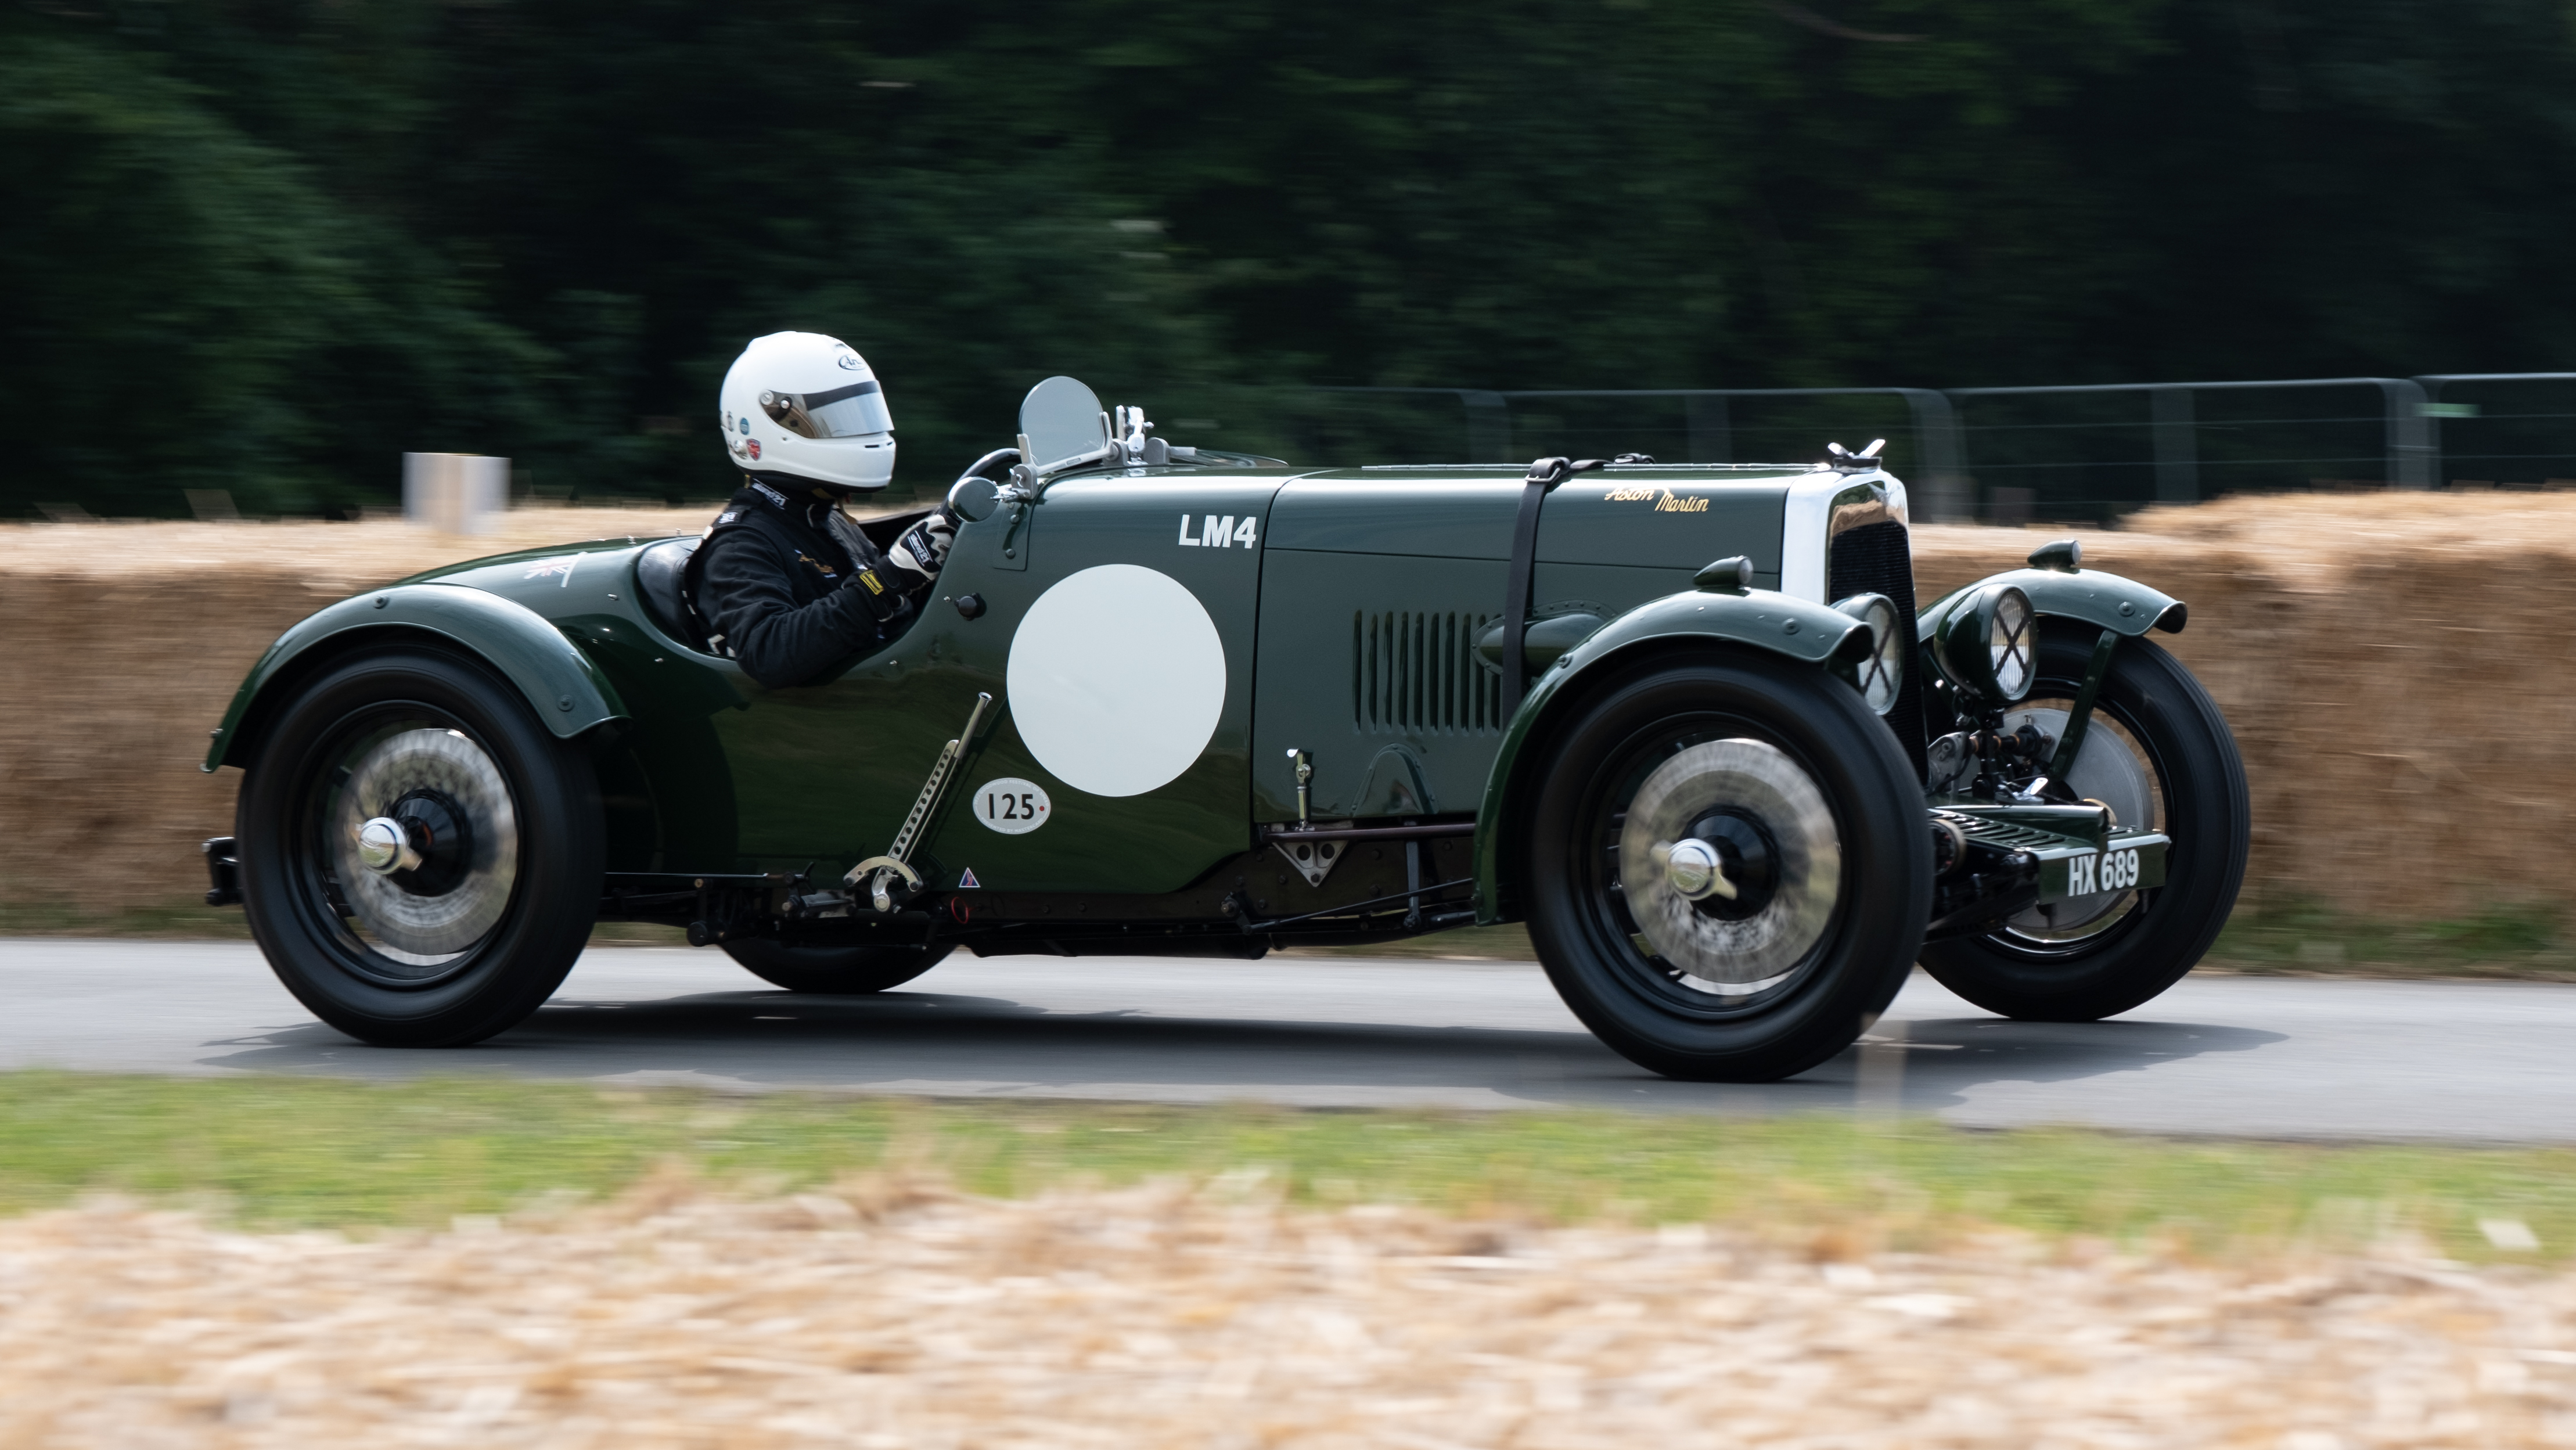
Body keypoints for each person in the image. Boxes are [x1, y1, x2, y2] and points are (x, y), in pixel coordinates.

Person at [684, 332, 958, 688]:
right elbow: (769, 654)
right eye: (834, 419)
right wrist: (890, 579)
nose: (858, 432)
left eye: (859, 413)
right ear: (767, 424)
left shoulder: (826, 518)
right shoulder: (741, 543)